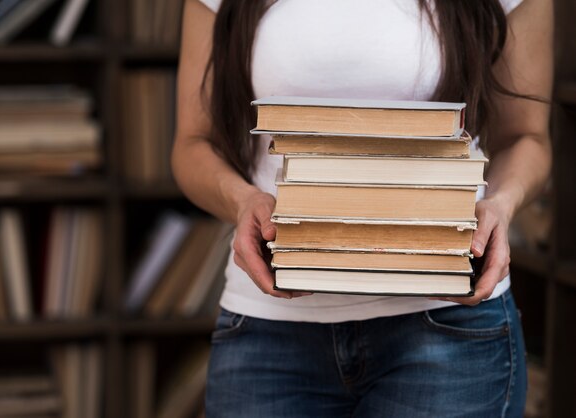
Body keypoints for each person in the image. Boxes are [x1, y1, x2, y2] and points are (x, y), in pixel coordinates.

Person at [171, 0, 553, 416]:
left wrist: (500, 204)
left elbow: (526, 136)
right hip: (269, 329)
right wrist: (243, 202)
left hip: (447, 329)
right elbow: (193, 144)